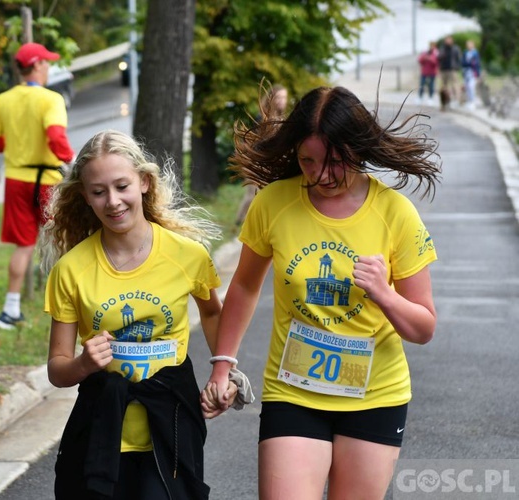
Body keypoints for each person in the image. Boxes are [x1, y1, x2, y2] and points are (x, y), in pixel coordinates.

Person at [201, 86, 441, 499]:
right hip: (292, 392)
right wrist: (223, 365)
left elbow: (423, 328)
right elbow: (243, 285)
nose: (320, 175)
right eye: (307, 161)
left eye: (334, 161)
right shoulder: (273, 203)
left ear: (358, 148)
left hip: (375, 398)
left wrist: (384, 293)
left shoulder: (395, 213)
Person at [41, 130, 248, 499]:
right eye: (99, 191)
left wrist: (225, 374)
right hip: (101, 430)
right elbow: (58, 369)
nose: (113, 201)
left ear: (145, 182)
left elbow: (214, 315)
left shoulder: (188, 255)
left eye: (122, 186)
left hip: (171, 424)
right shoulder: (71, 270)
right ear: (85, 197)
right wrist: (83, 364)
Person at [0, 42, 74, 329]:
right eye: (45, 62)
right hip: (46, 181)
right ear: (35, 66)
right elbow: (56, 139)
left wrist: (19, 140)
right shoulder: (51, 100)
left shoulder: (3, 100)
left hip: (16, 179)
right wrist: (74, 163)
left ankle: (10, 309)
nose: (48, 67)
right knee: (63, 241)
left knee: (24, 245)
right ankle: (72, 304)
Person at [234, 84, 289, 227]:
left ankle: (251, 222)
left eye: (284, 97)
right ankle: (241, 221)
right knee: (251, 194)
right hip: (256, 162)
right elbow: (255, 142)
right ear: (271, 98)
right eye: (279, 97)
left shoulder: (282, 118)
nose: (282, 101)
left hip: (270, 163)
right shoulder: (262, 118)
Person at [437, 35, 462, 110]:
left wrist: (457, 67)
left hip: (452, 69)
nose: (448, 41)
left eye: (449, 40)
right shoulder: (443, 48)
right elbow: (438, 57)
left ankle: (457, 100)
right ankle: (445, 102)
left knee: (455, 85)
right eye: (447, 40)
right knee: (444, 87)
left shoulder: (455, 48)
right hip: (444, 69)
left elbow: (459, 58)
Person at [417, 41, 439, 106]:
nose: (431, 47)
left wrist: (430, 59)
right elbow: (420, 60)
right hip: (424, 72)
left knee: (431, 86)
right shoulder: (425, 52)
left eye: (433, 46)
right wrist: (424, 58)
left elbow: (436, 63)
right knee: (422, 85)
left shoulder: (436, 53)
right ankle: (420, 98)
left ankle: (430, 98)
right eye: (430, 45)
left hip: (432, 73)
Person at [462, 39, 482, 110]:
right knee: (467, 87)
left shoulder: (475, 53)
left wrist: (478, 74)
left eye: (470, 44)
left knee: (471, 87)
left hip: (473, 73)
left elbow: (476, 64)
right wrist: (469, 63)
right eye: (467, 44)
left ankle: (473, 102)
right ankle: (468, 101)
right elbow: (463, 63)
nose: (469, 46)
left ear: (473, 45)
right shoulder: (465, 52)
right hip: (466, 72)